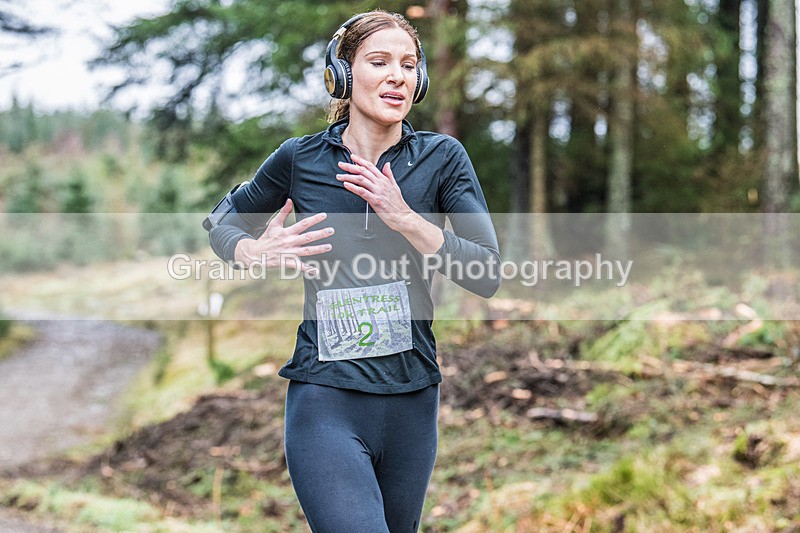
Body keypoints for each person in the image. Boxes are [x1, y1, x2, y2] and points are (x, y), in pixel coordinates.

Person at [207, 9, 500, 532]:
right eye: (379, 61)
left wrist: (406, 218)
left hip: (412, 402)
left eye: (409, 65)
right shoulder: (301, 159)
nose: (397, 75)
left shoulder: (442, 159)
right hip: (327, 401)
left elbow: (486, 272)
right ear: (342, 74)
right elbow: (223, 223)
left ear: (421, 80)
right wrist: (251, 251)